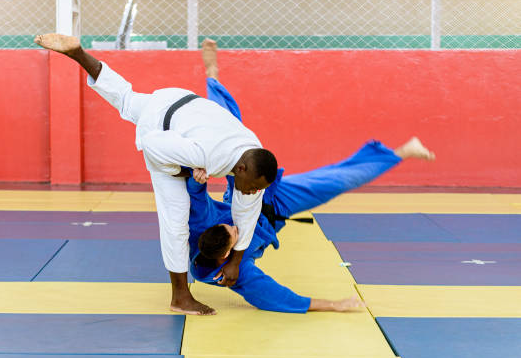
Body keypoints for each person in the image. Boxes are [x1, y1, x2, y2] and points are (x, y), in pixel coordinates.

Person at [35, 34, 278, 315]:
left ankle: (78, 53)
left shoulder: (252, 153)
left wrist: (235, 260)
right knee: (176, 220)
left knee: (125, 98)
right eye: (251, 187)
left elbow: (246, 216)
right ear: (242, 169)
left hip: (176, 101)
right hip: (163, 130)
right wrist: (182, 170)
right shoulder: (204, 156)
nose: (250, 192)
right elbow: (152, 144)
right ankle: (180, 297)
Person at [186, 39, 435, 313]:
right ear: (225, 254)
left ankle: (212, 73)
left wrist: (198, 178)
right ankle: (401, 153)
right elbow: (276, 297)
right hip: (275, 207)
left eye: (230, 227)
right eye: (234, 233)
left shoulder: (202, 228)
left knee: (227, 130)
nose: (235, 228)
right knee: (338, 182)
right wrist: (336, 305)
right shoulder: (237, 274)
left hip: (248, 191)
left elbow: (196, 201)